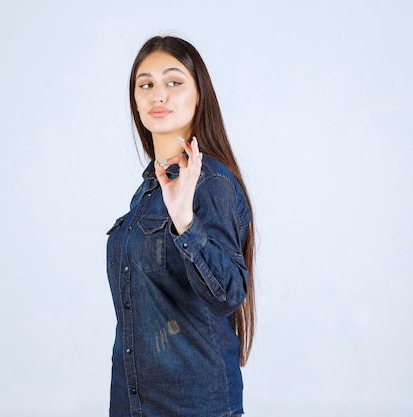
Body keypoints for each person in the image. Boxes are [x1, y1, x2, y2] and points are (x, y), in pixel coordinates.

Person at [106, 35, 256, 417]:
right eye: (146, 84)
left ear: (199, 95)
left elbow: (227, 295)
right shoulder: (148, 191)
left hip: (195, 407)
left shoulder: (211, 183)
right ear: (135, 100)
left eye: (174, 82)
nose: (159, 95)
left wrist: (185, 221)